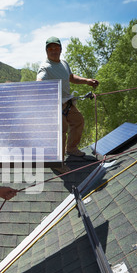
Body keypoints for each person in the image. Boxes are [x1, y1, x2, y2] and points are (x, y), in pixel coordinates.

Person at [37, 36, 99, 173]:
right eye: (50, 48)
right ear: (46, 51)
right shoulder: (45, 67)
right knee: (61, 132)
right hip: (55, 105)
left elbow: (71, 78)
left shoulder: (63, 63)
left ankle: (71, 149)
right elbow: (40, 81)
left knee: (78, 121)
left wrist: (87, 81)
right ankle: (57, 163)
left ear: (60, 49)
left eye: (56, 48)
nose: (53, 50)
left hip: (67, 102)